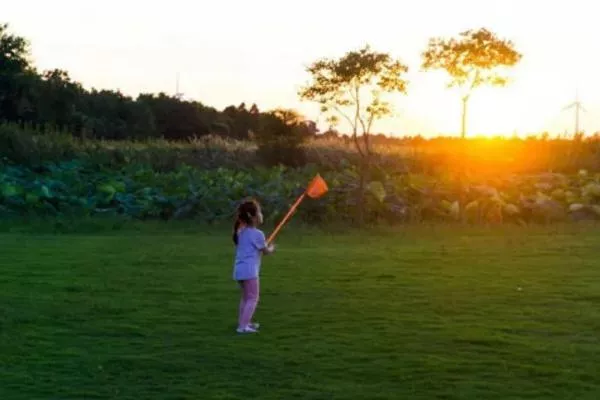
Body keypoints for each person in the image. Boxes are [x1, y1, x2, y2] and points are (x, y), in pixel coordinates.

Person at [232, 199, 275, 334]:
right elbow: (265, 251)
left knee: (245, 298)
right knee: (253, 298)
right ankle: (243, 327)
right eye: (260, 212)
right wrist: (272, 248)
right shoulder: (258, 234)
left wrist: (264, 245)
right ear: (254, 216)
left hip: (239, 270)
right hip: (250, 272)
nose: (261, 214)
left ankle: (244, 322)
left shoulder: (241, 232)